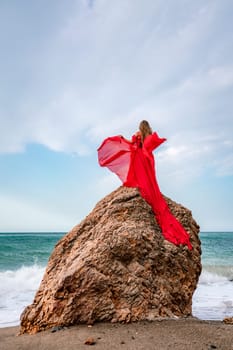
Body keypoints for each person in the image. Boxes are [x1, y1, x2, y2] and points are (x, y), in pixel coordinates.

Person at [97, 120, 192, 250]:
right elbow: (150, 145)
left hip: (139, 158)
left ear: (140, 127)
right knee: (148, 178)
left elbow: (131, 144)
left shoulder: (139, 134)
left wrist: (121, 138)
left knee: (139, 177)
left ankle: (140, 185)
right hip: (146, 159)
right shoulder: (148, 135)